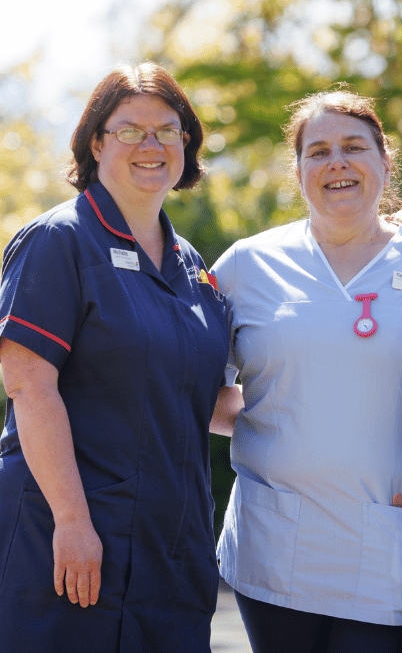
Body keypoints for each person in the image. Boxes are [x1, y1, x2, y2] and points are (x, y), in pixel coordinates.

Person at [210, 88, 402, 653]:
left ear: (384, 161)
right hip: (277, 541)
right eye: (318, 151)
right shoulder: (246, 266)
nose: (337, 163)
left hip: (393, 545)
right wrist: (278, 421)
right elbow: (195, 388)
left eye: (354, 147)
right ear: (298, 168)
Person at [0, 63, 235, 652]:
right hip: (68, 541)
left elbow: (204, 403)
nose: (151, 145)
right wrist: (73, 523)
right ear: (96, 143)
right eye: (130, 130)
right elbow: (28, 385)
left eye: (168, 130)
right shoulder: (59, 240)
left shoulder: (193, 270)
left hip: (172, 549)